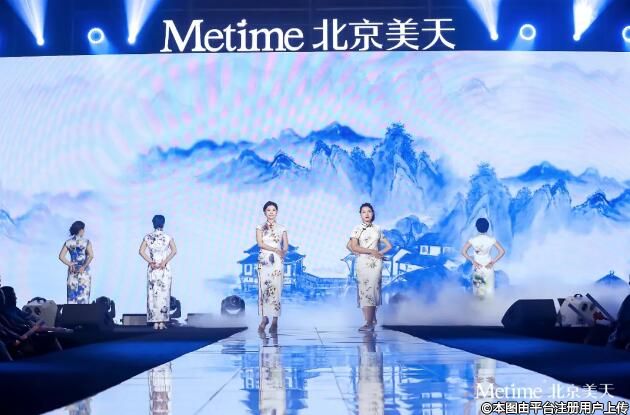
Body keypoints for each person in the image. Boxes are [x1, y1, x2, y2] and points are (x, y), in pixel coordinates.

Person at [348, 203, 392, 332]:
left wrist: (379, 254)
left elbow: (389, 246)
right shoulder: (357, 228)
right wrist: (367, 252)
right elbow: (352, 246)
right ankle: (371, 320)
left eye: (369, 211)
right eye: (363, 212)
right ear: (360, 215)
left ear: (373, 213)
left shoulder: (377, 228)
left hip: (375, 264)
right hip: (362, 263)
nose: (367, 214)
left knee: (372, 290)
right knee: (364, 292)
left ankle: (369, 322)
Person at [139, 215, 177, 330]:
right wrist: (164, 262)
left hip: (153, 269)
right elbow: (174, 251)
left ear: (153, 223)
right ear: (163, 224)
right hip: (164, 269)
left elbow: (141, 251)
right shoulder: (167, 237)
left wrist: (151, 262)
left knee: (153, 295)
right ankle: (161, 322)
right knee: (164, 295)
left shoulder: (148, 237)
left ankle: (155, 322)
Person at [256, 201, 288, 333]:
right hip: (264, 260)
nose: (271, 212)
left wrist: (283, 252)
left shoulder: (282, 228)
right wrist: (275, 249)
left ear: (277, 212)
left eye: (273, 210)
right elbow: (260, 243)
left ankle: (275, 321)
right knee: (263, 289)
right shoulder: (260, 227)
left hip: (277, 261)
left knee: (276, 289)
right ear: (264, 212)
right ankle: (264, 319)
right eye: (268, 210)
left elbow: (286, 245)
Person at [461, 218, 506, 300]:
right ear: (487, 227)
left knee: (478, 294)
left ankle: (479, 308)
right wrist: (492, 262)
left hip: (477, 268)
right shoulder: (491, 239)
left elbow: (463, 251)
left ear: (476, 227)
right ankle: (489, 308)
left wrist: (473, 261)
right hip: (488, 268)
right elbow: (502, 251)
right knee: (489, 292)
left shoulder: (473, 240)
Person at [58, 221, 94, 304]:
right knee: (84, 297)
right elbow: (91, 256)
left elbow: (61, 256)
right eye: (84, 229)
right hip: (84, 271)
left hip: (72, 270)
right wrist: (84, 266)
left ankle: (72, 313)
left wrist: (70, 264)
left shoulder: (68, 242)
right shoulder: (86, 242)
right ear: (81, 230)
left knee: (72, 297)